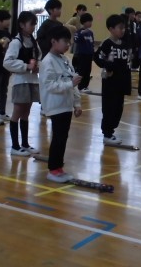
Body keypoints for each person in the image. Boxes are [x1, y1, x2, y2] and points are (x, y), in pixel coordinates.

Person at [39, 25, 83, 183]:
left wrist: (77, 103)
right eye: (65, 41)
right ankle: (53, 169)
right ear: (54, 41)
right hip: (56, 106)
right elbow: (49, 85)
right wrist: (70, 84)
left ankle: (58, 167)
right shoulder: (47, 61)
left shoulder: (65, 60)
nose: (68, 45)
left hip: (66, 105)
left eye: (69, 42)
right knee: (58, 137)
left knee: (63, 137)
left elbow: (73, 81)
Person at [3, 11, 41, 156]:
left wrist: (38, 66)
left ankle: (25, 144)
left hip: (32, 81)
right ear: (22, 25)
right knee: (17, 113)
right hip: (20, 82)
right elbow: (7, 62)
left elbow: (39, 57)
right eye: (31, 24)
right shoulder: (16, 42)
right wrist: (25, 66)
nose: (33, 27)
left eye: (34, 24)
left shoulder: (33, 41)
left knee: (26, 113)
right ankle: (15, 146)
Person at [94, 14, 131, 145]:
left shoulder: (125, 44)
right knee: (109, 107)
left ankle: (111, 131)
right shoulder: (107, 43)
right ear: (111, 29)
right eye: (120, 28)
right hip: (110, 82)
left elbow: (127, 62)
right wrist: (107, 67)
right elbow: (97, 57)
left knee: (118, 109)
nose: (123, 30)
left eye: (124, 28)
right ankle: (107, 134)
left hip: (122, 81)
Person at [71, 13, 95, 93]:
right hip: (82, 55)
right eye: (89, 21)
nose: (90, 23)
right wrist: (81, 34)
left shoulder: (90, 33)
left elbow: (92, 43)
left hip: (89, 55)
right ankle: (80, 86)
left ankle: (85, 86)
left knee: (88, 71)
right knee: (82, 70)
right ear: (84, 22)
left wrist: (92, 52)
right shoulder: (79, 32)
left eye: (91, 21)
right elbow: (76, 40)